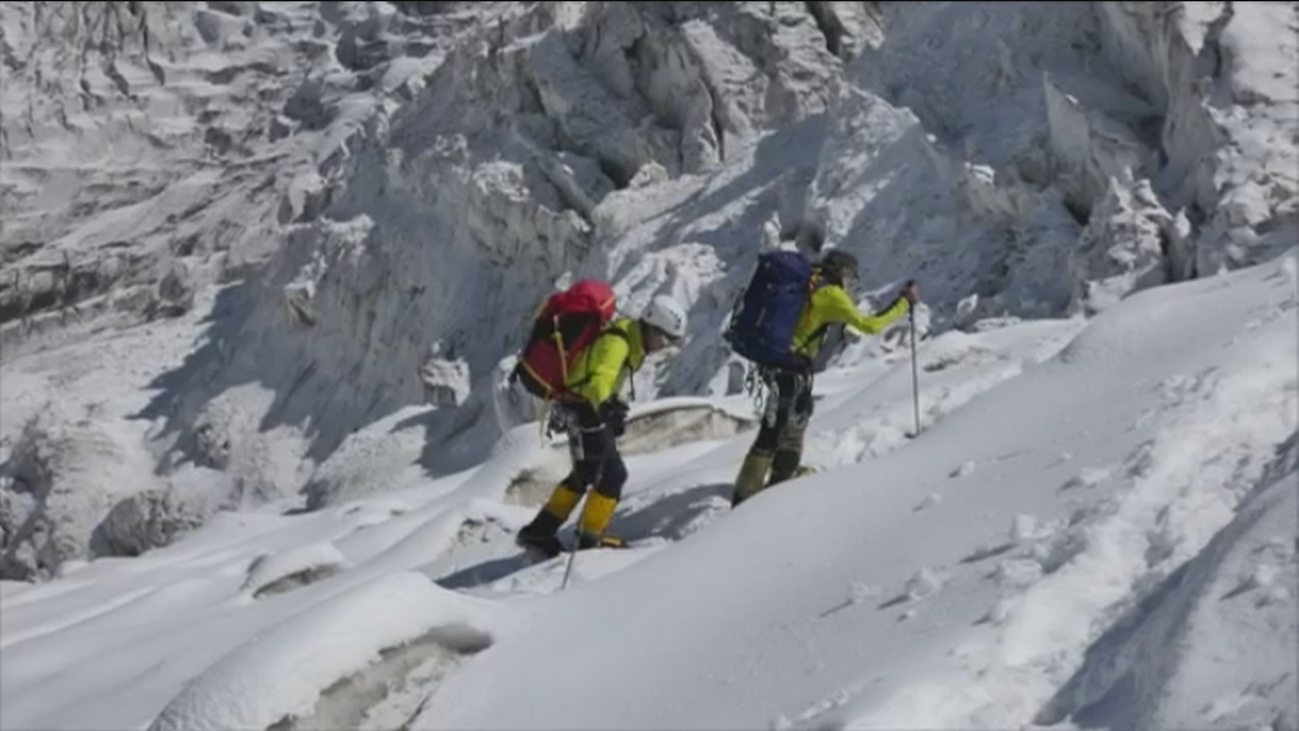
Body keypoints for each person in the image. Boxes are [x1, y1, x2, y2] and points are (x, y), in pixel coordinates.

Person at [731, 250, 919, 506]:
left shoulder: (807, 280)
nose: (850, 282)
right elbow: (868, 325)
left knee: (782, 421)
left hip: (773, 360)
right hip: (793, 366)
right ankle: (755, 493)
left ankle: (770, 481)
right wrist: (904, 304)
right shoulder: (832, 295)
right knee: (782, 426)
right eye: (850, 276)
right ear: (842, 271)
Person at [516, 294, 689, 557]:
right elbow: (599, 382)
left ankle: (540, 531)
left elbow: (601, 380)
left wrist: (613, 407)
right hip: (585, 413)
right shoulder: (618, 343)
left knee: (586, 473)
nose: (662, 346)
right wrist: (608, 407)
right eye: (663, 338)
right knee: (611, 475)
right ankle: (588, 539)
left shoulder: (627, 339)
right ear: (651, 327)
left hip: (581, 410)